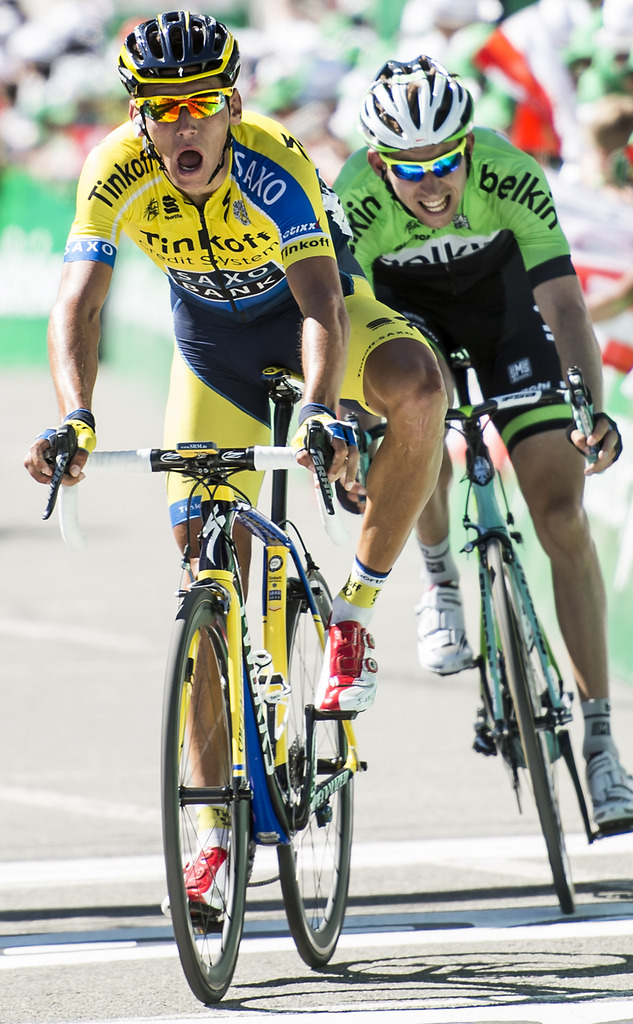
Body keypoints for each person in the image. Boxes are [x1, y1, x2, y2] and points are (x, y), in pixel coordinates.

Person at [23, 13, 447, 906]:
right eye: (161, 109)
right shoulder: (116, 169)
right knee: (206, 589)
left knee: (416, 388)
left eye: (202, 106)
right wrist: (76, 420)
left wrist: (326, 411)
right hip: (210, 349)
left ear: (233, 104)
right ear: (138, 114)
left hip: (312, 324)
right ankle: (213, 832)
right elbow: (79, 303)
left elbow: (323, 306)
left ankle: (354, 612)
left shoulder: (272, 161)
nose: (183, 128)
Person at [334, 55, 633, 833]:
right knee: (416, 423)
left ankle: (601, 741)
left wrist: (588, 411)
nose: (433, 184)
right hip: (410, 324)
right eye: (411, 170)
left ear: (468, 148)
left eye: (446, 163)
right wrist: (351, 421)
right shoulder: (354, 197)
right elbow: (344, 327)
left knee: (560, 516)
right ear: (379, 164)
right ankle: (438, 581)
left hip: (509, 322)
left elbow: (566, 305)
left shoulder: (508, 172)